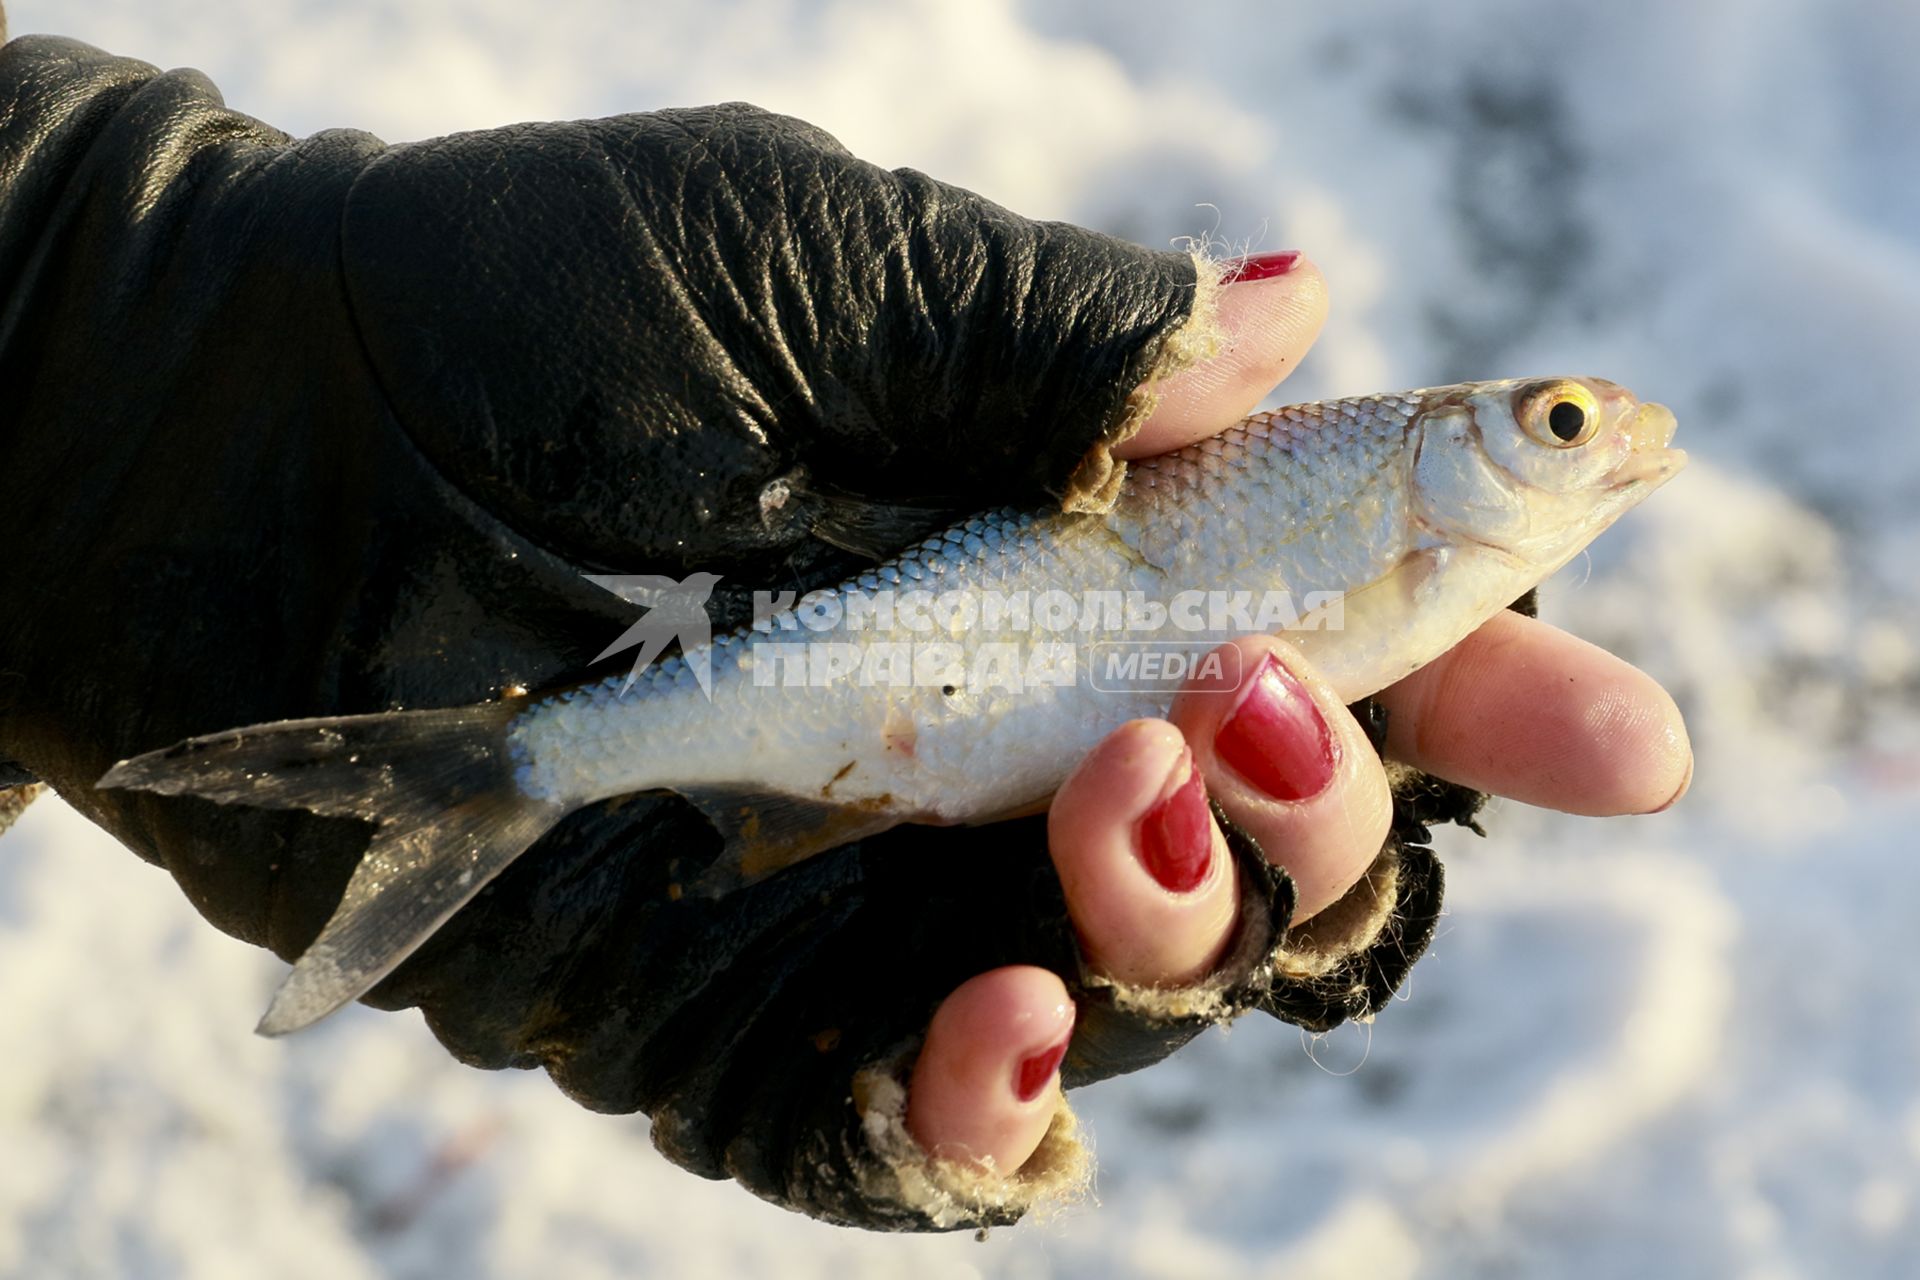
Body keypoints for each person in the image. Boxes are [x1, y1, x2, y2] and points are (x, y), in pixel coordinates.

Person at [0, 14, 1691, 1231]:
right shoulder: (1403, 505)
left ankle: (526, 768)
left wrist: (87, 296)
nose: (1591, 440)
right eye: (1555, 424)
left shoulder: (1418, 538)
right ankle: (521, 767)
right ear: (1459, 441)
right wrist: (113, 296)